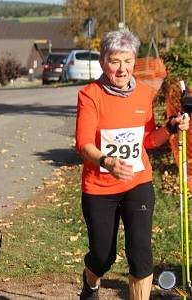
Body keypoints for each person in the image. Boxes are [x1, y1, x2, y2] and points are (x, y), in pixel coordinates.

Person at [76, 30, 190, 300]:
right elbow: (83, 144)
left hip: (137, 183)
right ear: (104, 62)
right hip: (99, 188)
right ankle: (91, 282)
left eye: (128, 61)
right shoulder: (90, 95)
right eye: (115, 61)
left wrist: (171, 128)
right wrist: (107, 161)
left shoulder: (143, 94)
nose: (122, 68)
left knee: (141, 256)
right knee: (103, 257)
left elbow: (148, 140)